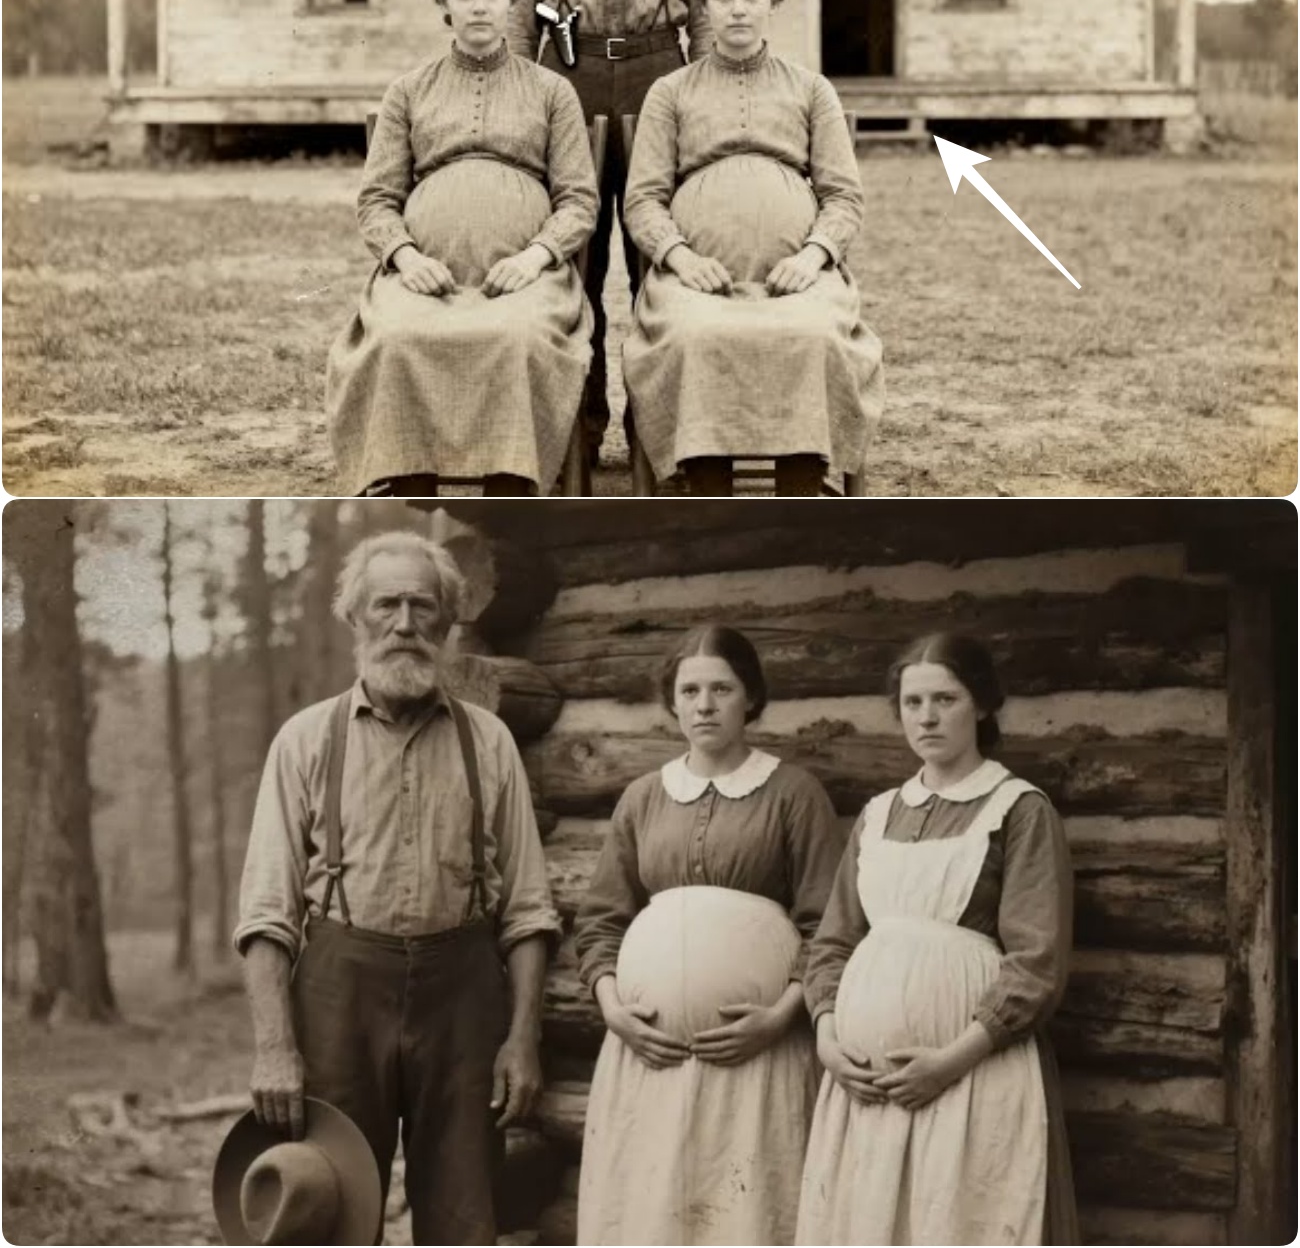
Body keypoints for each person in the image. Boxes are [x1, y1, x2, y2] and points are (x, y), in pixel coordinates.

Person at [233, 532, 563, 1246]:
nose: (405, 624)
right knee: (332, 1210)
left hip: (464, 1000)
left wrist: (522, 1038)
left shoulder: (490, 742)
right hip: (339, 997)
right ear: (355, 617)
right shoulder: (305, 740)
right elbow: (265, 916)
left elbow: (529, 910)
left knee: (464, 1216)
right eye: (387, 605)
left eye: (423, 606)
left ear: (448, 623)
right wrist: (275, 1048)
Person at [796, 634, 1079, 1245]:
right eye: (912, 702)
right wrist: (828, 1037)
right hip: (865, 1090)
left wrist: (949, 1062)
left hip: (971, 1073)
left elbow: (1037, 963)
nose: (926, 717)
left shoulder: (1019, 809)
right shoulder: (877, 814)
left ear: (982, 705)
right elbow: (834, 941)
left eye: (945, 699)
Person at [573, 626, 842, 1245]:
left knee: (745, 1216)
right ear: (671, 702)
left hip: (758, 1054)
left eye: (722, 688)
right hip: (649, 1057)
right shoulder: (644, 798)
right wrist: (614, 1010)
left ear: (751, 697)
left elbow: (829, 925)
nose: (704, 705)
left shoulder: (793, 794)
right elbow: (601, 921)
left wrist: (779, 1017)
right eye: (689, 690)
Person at [326, 0, 598, 498]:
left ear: (513, 2)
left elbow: (578, 200)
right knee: (397, 336)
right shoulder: (408, 91)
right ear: (444, 4)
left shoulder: (552, 91)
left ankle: (508, 494)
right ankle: (413, 494)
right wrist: (406, 259)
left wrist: (534, 258)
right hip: (427, 272)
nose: (479, 6)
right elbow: (377, 200)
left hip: (524, 276)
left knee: (518, 336)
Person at [506, 0, 719, 464]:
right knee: (575, 259)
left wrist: (706, 89)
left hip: (662, 70)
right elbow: (518, 14)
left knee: (663, 254)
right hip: (570, 72)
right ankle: (581, 427)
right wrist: (520, 95)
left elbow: (707, 3)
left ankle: (659, 434)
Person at [622, 0, 885, 496]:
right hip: (697, 279)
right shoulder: (670, 92)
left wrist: (812, 257)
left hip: (797, 275)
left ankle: (799, 487)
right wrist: (680, 258)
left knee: (813, 334)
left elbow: (843, 196)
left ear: (773, 3)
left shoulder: (811, 89)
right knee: (696, 334)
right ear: (704, 6)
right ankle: (709, 488)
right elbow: (642, 199)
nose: (738, 9)